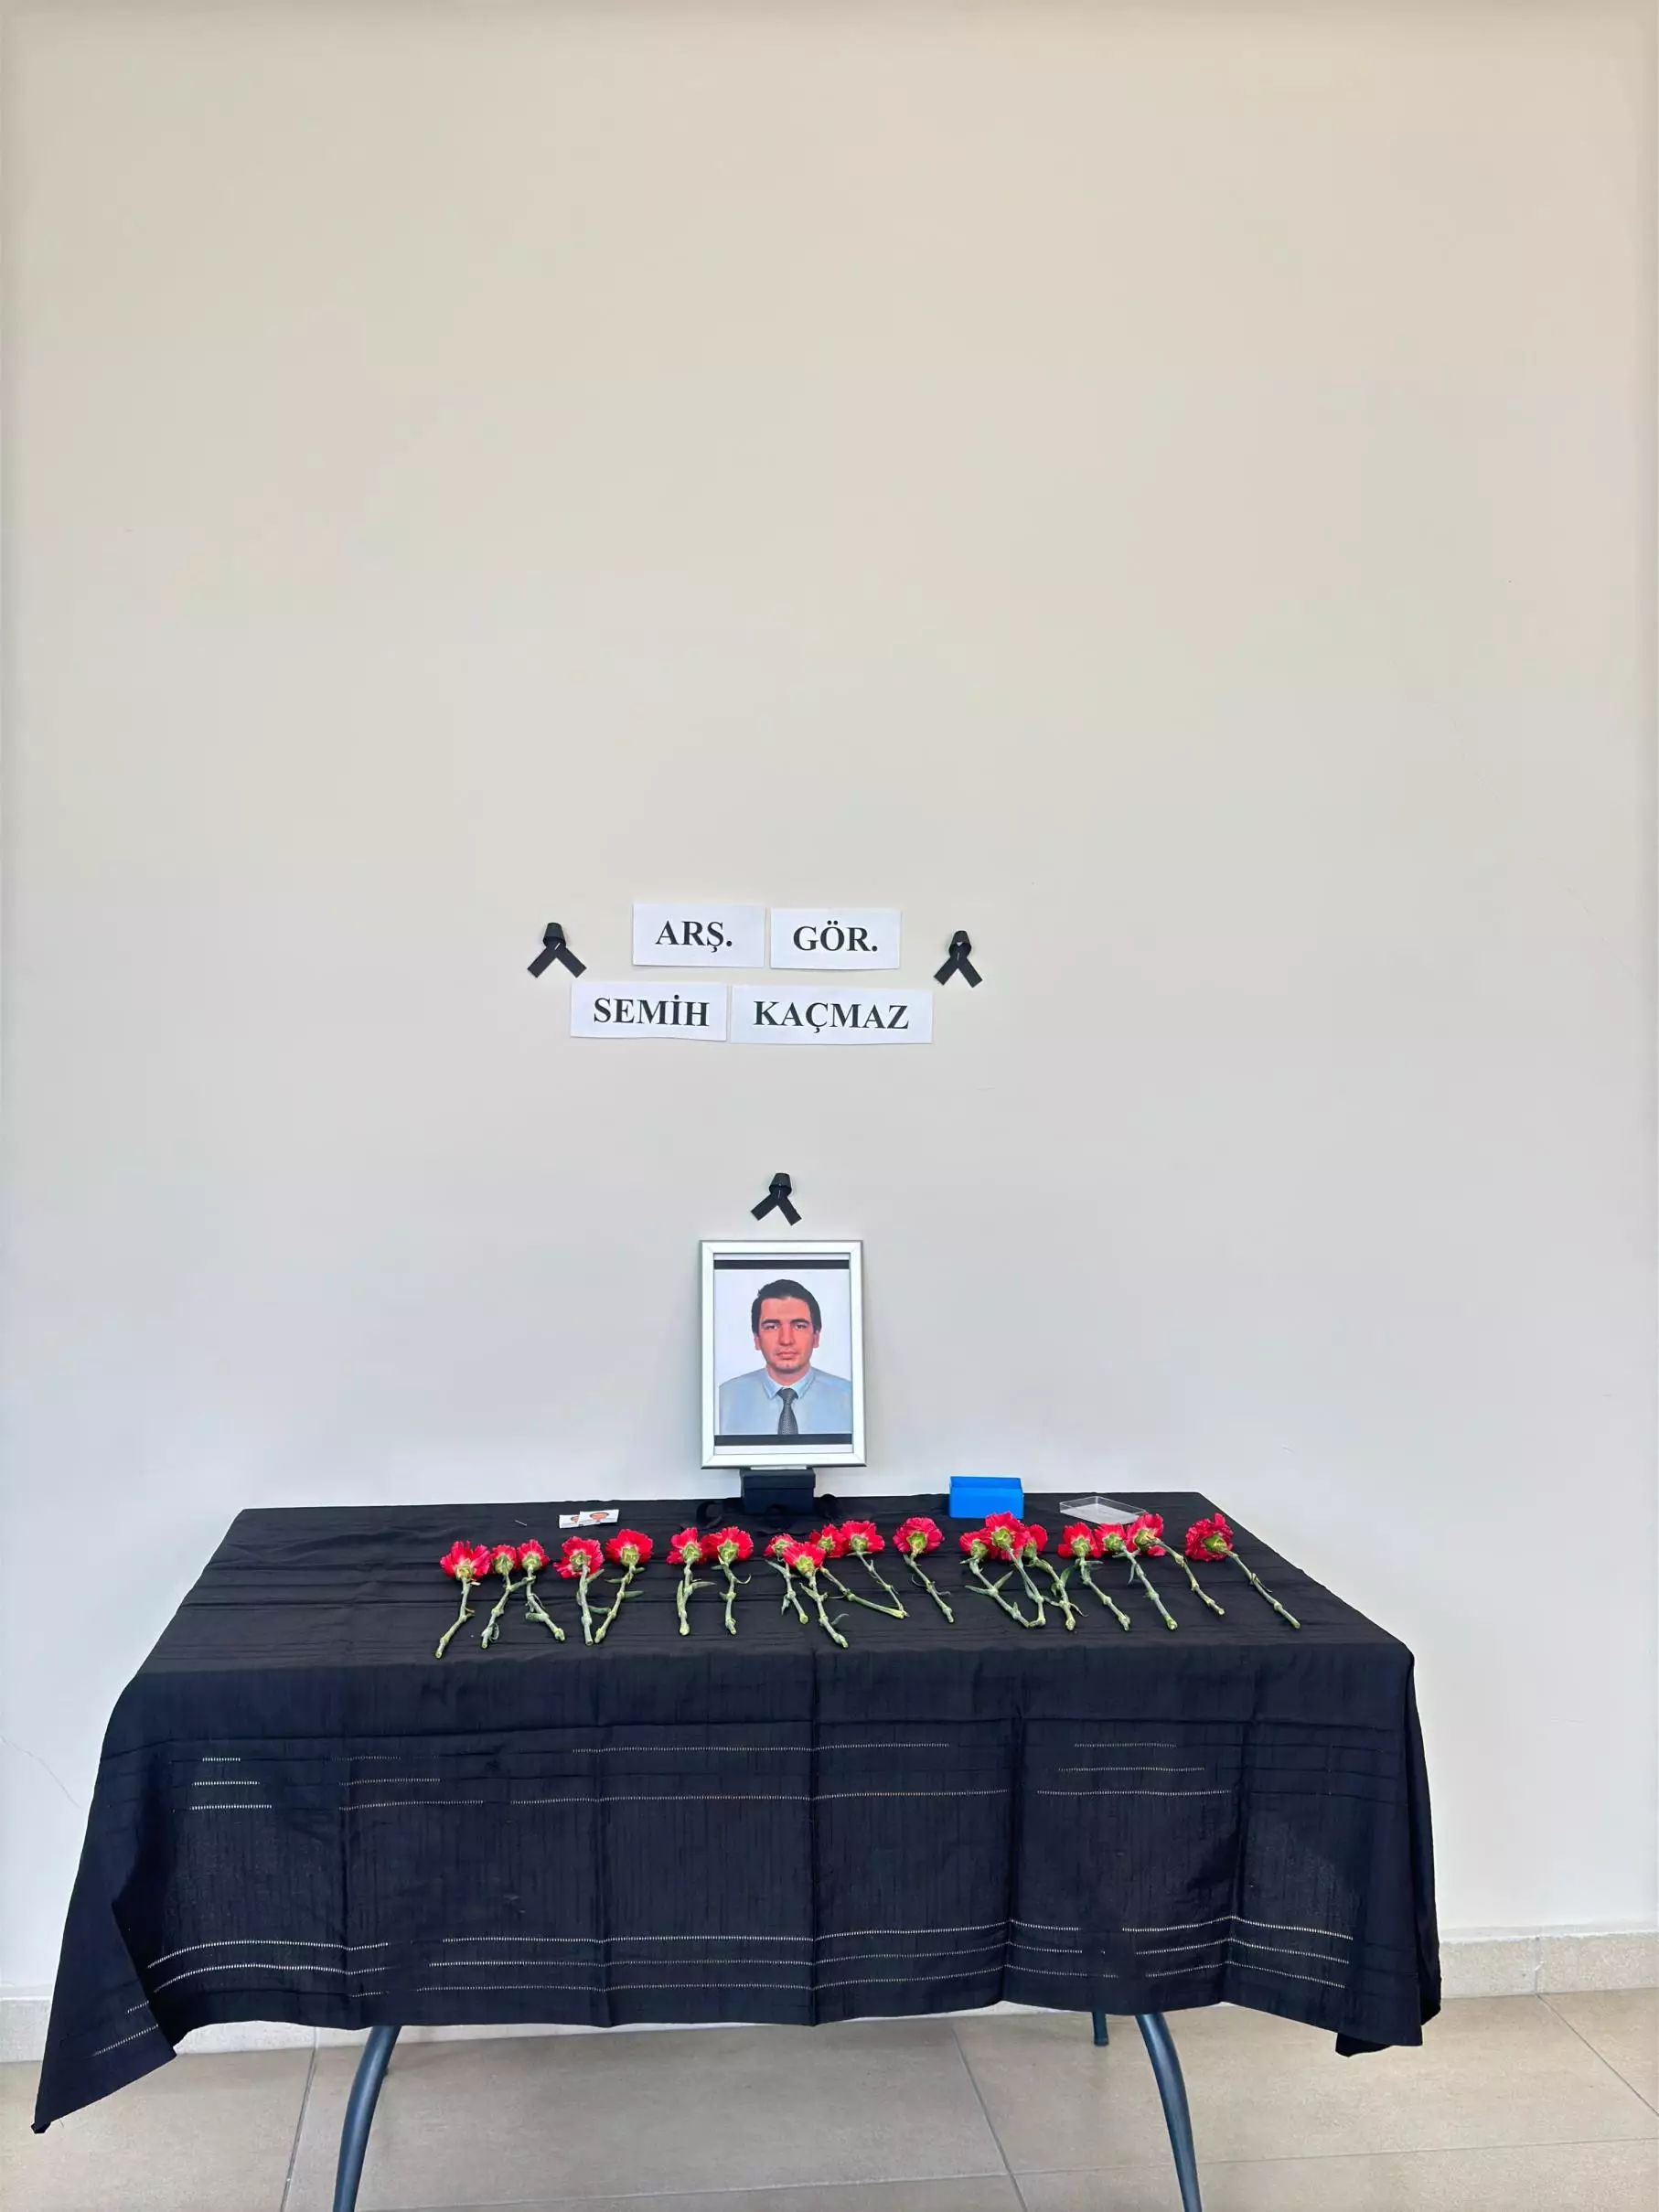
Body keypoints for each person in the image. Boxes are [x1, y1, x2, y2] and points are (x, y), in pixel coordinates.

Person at [718, 1277, 853, 1439]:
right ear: (757, 1339)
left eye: (799, 1326)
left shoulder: (851, 1398)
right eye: (772, 1327)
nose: (786, 1340)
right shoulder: (722, 1400)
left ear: (816, 1337)